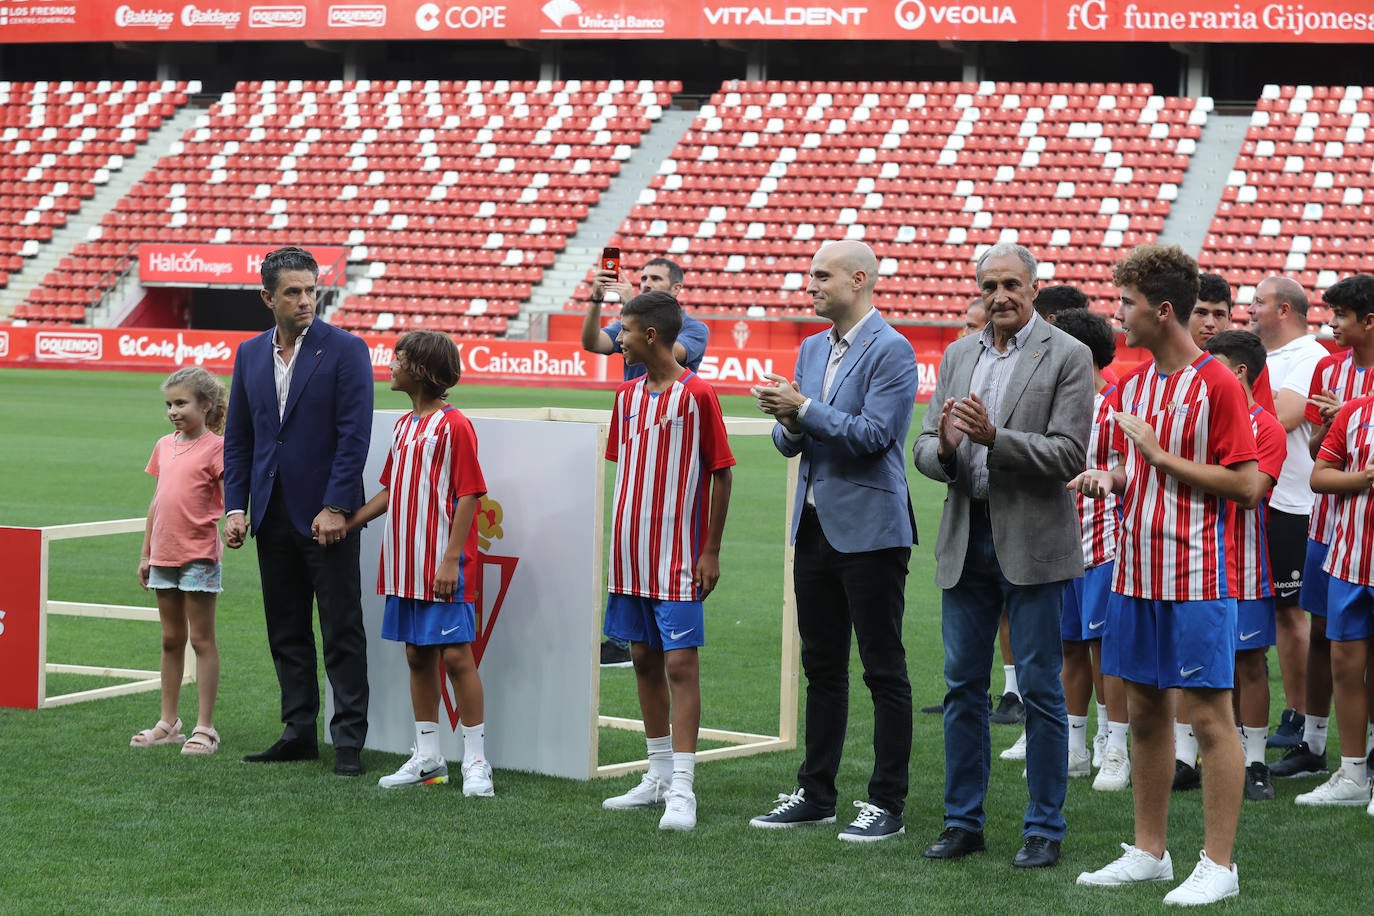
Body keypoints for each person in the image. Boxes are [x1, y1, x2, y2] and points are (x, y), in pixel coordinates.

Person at [1073, 244, 1260, 906]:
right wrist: (1113, 475)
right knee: (1145, 712)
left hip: (1199, 576)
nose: (1116, 313)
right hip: (1135, 573)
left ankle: (1219, 865)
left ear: (1163, 310)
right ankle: (1150, 852)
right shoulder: (1133, 384)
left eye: (1125, 302)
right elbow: (1140, 469)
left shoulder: (1218, 384)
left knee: (1211, 720)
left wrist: (1157, 454)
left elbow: (1247, 483)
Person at [913, 242, 1092, 869]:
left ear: (1034, 288)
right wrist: (947, 449)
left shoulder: (1068, 355)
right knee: (963, 687)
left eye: (1011, 285)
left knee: (1042, 690)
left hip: (1034, 543)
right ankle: (963, 822)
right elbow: (928, 443)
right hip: (967, 538)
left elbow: (1071, 455)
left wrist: (997, 439)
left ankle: (1044, 827)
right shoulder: (960, 353)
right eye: (989, 286)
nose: (1000, 297)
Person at [749, 239, 918, 843]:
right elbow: (793, 442)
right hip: (815, 526)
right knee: (822, 667)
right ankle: (817, 793)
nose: (811, 284)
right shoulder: (811, 348)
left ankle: (886, 802)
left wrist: (805, 408)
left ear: (859, 279)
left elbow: (875, 436)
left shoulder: (893, 350)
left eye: (822, 275)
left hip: (872, 532)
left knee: (883, 670)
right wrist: (787, 418)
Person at [223, 245, 373, 777]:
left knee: (340, 629)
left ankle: (349, 741)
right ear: (268, 297)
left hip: (327, 516)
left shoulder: (347, 349)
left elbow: (354, 438)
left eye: (312, 290)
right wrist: (235, 507)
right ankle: (297, 733)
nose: (306, 300)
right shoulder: (247, 354)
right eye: (293, 292)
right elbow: (239, 438)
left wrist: (336, 505)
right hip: (270, 513)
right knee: (285, 629)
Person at [598, 290, 734, 832]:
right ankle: (655, 775)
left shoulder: (697, 394)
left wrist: (711, 548)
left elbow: (721, 473)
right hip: (630, 555)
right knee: (642, 659)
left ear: (649, 335)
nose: (620, 339)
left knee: (680, 663)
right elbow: (627, 469)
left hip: (678, 554)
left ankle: (683, 786)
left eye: (625, 331)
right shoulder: (626, 398)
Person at [346, 331, 493, 796]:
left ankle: (476, 761)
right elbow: (391, 490)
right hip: (405, 563)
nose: (390, 365)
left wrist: (452, 558)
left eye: (399, 358)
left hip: (442, 565)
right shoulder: (405, 425)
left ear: (424, 370)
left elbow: (470, 493)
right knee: (416, 654)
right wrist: (349, 523)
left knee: (455, 656)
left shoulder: (454, 425)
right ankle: (429, 759)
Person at [583, 254, 711, 668]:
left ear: (676, 289)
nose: (645, 282)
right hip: (637, 432)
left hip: (674, 449)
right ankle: (626, 640)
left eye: (654, 278)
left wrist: (631, 308)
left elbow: (671, 349)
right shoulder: (631, 327)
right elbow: (592, 343)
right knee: (632, 535)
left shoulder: (690, 328)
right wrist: (596, 301)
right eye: (642, 277)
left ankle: (652, 637)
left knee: (667, 545)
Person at [1274, 275, 1374, 781]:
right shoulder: (1330, 370)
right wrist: (1337, 427)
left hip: (1368, 533)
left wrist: (1350, 421)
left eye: (1339, 316)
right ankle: (1312, 743)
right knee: (1319, 633)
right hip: (1328, 526)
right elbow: (1317, 452)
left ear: (1368, 321)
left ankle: (1366, 752)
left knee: (1363, 643)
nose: (1330, 324)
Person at [1203, 330, 1287, 801]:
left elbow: (1252, 492)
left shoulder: (1267, 428)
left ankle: (1255, 763)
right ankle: (1201, 753)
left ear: (1237, 373)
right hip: (1195, 563)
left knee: (1250, 663)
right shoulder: (1200, 417)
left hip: (1246, 565)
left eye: (1213, 366)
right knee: (1200, 665)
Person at [1050, 308, 1131, 792]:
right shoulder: (1052, 406)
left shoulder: (1114, 409)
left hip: (1105, 543)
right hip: (1057, 545)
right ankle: (1074, 747)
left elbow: (1133, 475)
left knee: (1106, 649)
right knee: (1068, 647)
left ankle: (1115, 746)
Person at [1247, 275, 1329, 749]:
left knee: (1290, 612)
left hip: (1292, 501)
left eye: (1258, 302)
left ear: (1284, 311)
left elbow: (1285, 415)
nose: (1250, 309)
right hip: (1263, 497)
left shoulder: (1309, 355)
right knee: (1270, 610)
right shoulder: (1271, 358)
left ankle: (1298, 713)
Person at [133, 367, 228, 756]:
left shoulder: (217, 447)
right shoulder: (163, 445)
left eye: (181, 403)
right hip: (163, 555)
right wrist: (145, 553)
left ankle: (205, 727)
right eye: (169, 404)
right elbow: (158, 502)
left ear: (206, 406)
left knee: (202, 640)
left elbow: (232, 495)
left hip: (199, 555)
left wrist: (237, 521)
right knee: (171, 639)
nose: (173, 411)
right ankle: (168, 723)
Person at [1304, 356, 1374, 811]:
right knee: (1346, 668)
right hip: (1350, 561)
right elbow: (1319, 476)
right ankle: (1352, 773)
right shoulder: (1354, 412)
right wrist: (1363, 477)